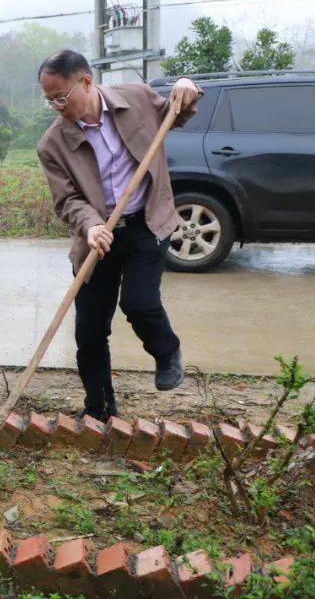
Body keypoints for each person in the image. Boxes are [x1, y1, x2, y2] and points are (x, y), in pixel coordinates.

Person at [36, 50, 201, 421]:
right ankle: (99, 409)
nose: (57, 106)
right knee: (89, 331)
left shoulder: (137, 99)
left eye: (62, 96)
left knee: (139, 302)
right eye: (49, 100)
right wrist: (91, 224)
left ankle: (166, 351)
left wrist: (187, 88)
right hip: (98, 234)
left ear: (87, 82)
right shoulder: (52, 145)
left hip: (147, 222)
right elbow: (66, 199)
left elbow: (179, 112)